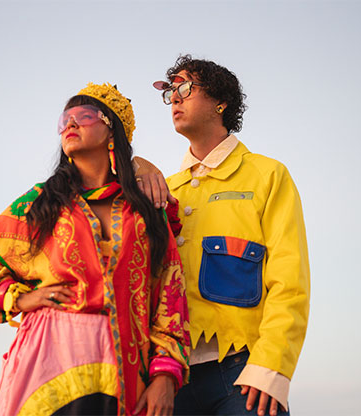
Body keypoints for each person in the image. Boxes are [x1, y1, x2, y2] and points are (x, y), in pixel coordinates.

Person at [0, 82, 190, 416]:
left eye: (84, 115)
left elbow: (170, 291)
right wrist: (20, 299)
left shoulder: (145, 210)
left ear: (112, 131)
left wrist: (165, 375)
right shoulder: (41, 203)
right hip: (47, 362)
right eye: (64, 119)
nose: (70, 124)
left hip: (126, 371)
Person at [137, 55, 310, 416]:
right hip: (169, 378)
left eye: (185, 87)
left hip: (244, 374)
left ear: (220, 101)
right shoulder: (165, 189)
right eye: (170, 92)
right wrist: (136, 164)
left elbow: (289, 281)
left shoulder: (267, 175)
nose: (175, 98)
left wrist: (270, 366)